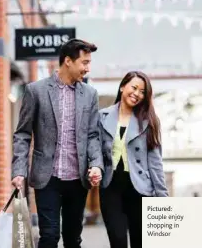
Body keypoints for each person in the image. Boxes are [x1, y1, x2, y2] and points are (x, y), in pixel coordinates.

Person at [11, 38, 104, 248]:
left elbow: (92, 136)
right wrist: (19, 170)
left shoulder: (90, 95)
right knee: (49, 236)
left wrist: (96, 164)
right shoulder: (36, 91)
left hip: (77, 178)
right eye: (85, 63)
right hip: (47, 177)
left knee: (73, 239)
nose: (88, 68)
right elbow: (23, 134)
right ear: (68, 61)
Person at [98, 71, 168, 248]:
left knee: (141, 242)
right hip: (111, 188)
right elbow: (94, 149)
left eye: (142, 91)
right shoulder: (102, 116)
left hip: (141, 190)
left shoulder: (149, 121)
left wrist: (162, 197)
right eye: (134, 87)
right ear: (123, 87)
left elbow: (155, 162)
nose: (137, 94)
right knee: (118, 240)